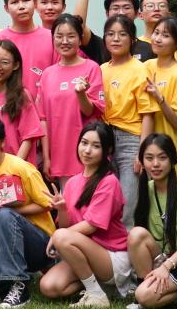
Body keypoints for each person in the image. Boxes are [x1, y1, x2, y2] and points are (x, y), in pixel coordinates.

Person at [38, 121, 133, 307]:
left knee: (61, 236)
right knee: (48, 287)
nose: (87, 150)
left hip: (111, 257)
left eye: (96, 146)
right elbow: (66, 227)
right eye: (84, 143)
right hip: (84, 254)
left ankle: (96, 294)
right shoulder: (72, 182)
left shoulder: (109, 181)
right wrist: (62, 210)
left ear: (108, 150)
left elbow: (90, 226)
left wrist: (57, 237)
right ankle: (100, 287)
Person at [0, 115, 57, 308]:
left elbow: (49, 204)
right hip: (2, 241)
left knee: (3, 214)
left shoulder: (19, 167)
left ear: (2, 142)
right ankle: (18, 275)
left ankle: (19, 285)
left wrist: (13, 210)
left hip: (38, 242)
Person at [127, 134, 177, 309]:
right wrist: (162, 266)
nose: (155, 164)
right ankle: (149, 289)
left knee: (144, 296)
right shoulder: (147, 189)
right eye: (149, 158)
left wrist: (166, 267)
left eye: (162, 157)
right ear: (142, 161)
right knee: (136, 234)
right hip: (163, 257)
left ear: (172, 160)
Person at [99, 14, 156, 226]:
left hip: (131, 140)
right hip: (104, 139)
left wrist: (142, 151)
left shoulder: (140, 69)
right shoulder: (101, 69)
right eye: (110, 34)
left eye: (122, 34)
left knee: (127, 205)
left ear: (132, 39)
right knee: (106, 203)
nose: (116, 39)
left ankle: (128, 245)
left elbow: (148, 113)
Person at [39, 14, 105, 184]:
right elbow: (43, 119)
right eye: (59, 36)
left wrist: (80, 94)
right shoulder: (47, 74)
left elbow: (90, 111)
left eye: (71, 36)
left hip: (87, 151)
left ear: (80, 38)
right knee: (67, 199)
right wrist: (46, 157)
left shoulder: (91, 68)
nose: (64, 41)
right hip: (59, 153)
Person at [0, 40, 45, 165]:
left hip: (17, 168)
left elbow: (29, 137)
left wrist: (14, 166)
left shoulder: (22, 95)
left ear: (16, 65)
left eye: (5, 62)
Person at [0, 0, 58, 98]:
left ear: (35, 4)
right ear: (6, 8)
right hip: (7, 106)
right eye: (14, 2)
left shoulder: (52, 38)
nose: (21, 6)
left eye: (26, 0)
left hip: (45, 107)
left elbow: (59, 76)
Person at [144, 16, 177, 181]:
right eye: (156, 33)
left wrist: (160, 98)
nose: (157, 39)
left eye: (165, 35)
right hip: (152, 156)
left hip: (175, 158)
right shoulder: (147, 66)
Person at [73, 0, 152, 63]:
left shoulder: (149, 49)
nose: (121, 12)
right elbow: (77, 25)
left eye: (126, 7)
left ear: (136, 13)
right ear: (107, 13)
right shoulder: (101, 46)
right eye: (115, 8)